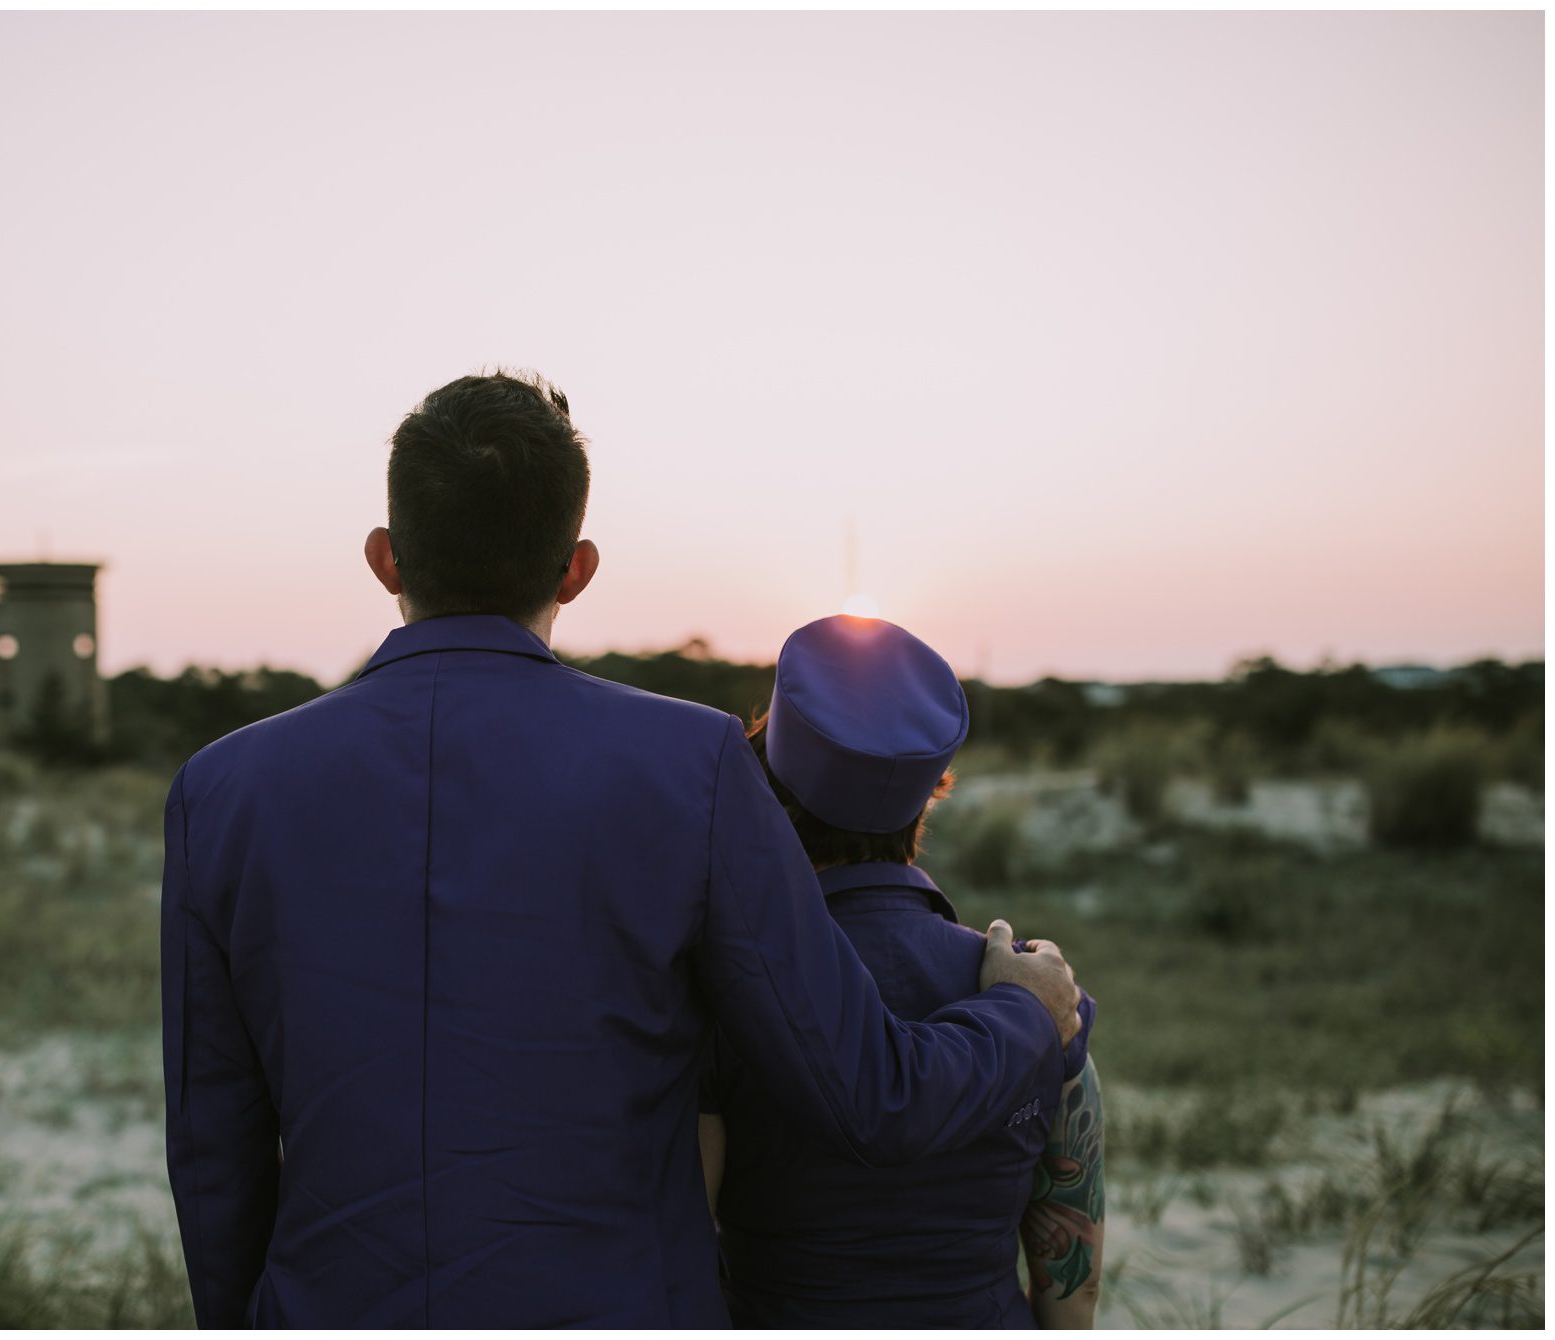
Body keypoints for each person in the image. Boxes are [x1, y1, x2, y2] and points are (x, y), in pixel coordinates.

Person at [161, 371, 1083, 1327]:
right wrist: (1022, 1014)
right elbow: (867, 1095)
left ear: (386, 558)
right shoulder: (694, 763)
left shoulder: (221, 791)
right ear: (577, 567)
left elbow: (212, 1156)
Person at [699, 615, 1105, 1328]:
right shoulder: (1047, 1003)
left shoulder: (725, 993)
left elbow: (689, 1241)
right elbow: (1070, 1291)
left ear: (766, 780)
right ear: (932, 790)